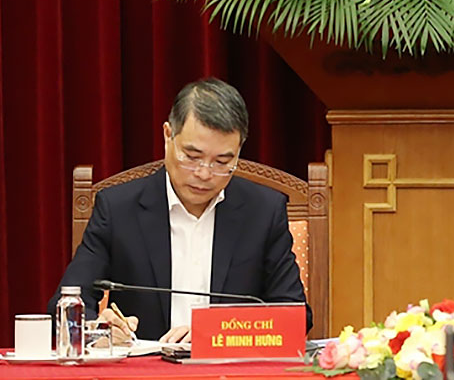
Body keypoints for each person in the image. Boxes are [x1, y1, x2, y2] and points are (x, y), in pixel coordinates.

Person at [48, 78, 311, 342]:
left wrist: (213, 334)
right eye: (192, 157)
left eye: (222, 162)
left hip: (228, 364)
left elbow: (296, 317)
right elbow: (65, 306)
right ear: (168, 136)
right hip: (145, 364)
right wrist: (98, 330)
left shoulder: (263, 212)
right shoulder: (118, 209)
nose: (204, 174)